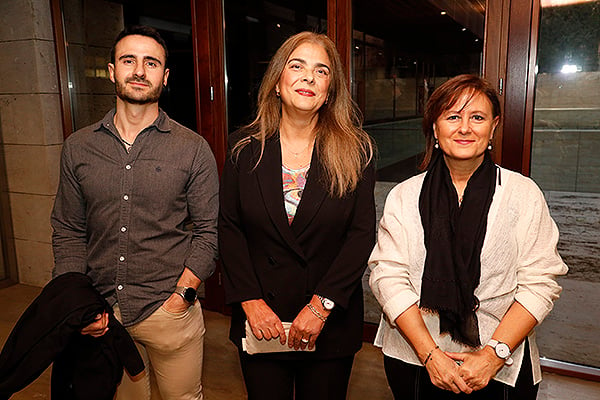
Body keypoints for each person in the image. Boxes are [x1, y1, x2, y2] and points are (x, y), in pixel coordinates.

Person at [368, 74, 568, 399]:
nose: (465, 128)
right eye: (452, 117)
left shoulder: (523, 194)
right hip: (414, 356)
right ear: (435, 128)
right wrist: (430, 355)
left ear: (493, 127)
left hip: (501, 362)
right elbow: (387, 276)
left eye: (477, 117)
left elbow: (540, 283)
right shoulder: (404, 195)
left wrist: (492, 355)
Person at [51, 25, 218, 400]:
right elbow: (68, 230)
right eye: (129, 60)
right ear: (112, 70)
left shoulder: (192, 149)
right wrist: (77, 304)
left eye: (151, 62)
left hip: (169, 311)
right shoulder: (78, 148)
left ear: (165, 75)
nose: (140, 71)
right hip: (103, 314)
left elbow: (209, 231)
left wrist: (184, 295)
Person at [218, 31, 375, 400]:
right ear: (277, 82)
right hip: (262, 321)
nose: (308, 77)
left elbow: (361, 234)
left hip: (328, 323)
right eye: (297, 66)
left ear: (329, 90)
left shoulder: (356, 151)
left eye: (321, 71)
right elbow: (229, 227)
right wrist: (251, 302)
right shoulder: (243, 147)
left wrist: (320, 307)